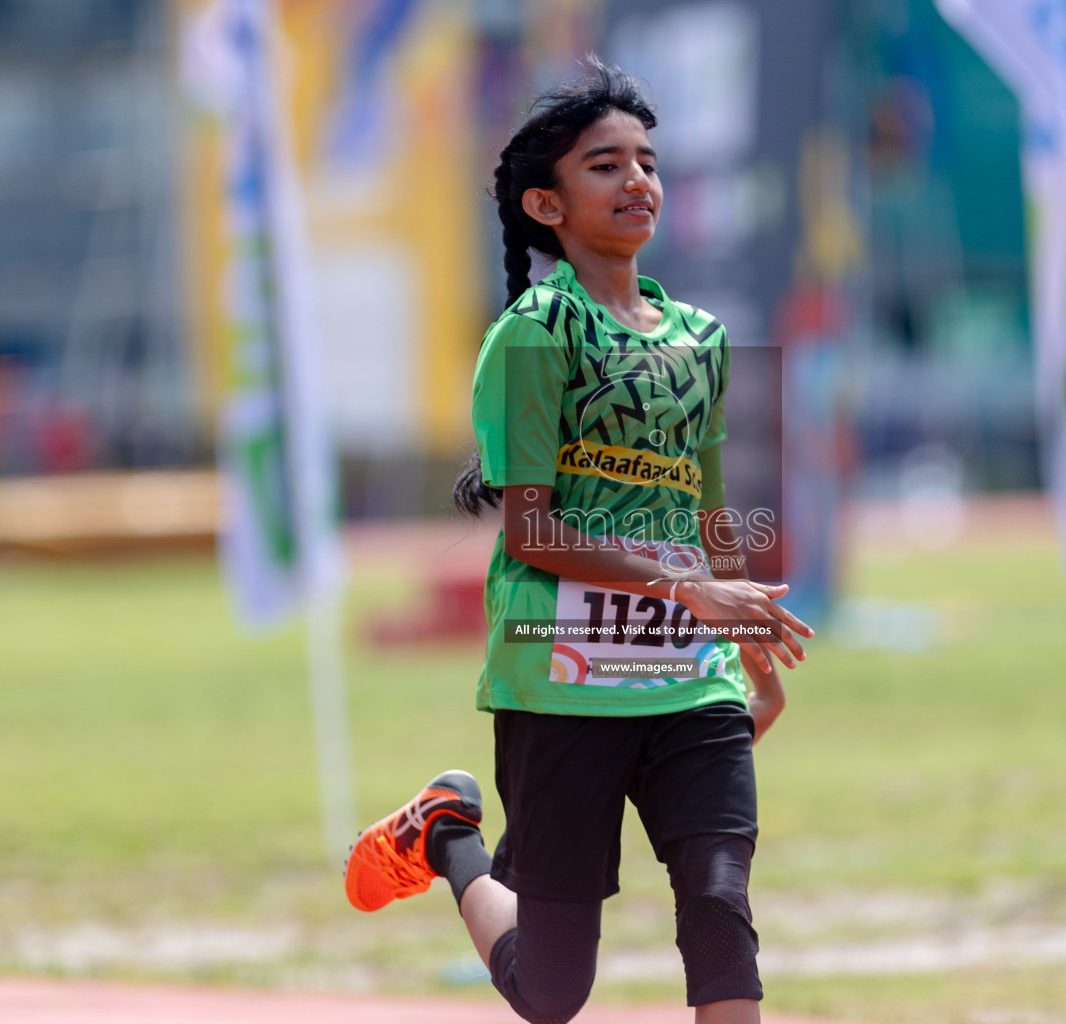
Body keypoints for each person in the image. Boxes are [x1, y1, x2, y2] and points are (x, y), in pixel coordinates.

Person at [344, 57, 813, 1024]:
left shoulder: (703, 339)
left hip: (691, 676)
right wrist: (693, 593)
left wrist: (746, 636)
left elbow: (707, 506)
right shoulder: (532, 335)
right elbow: (533, 527)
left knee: (720, 905)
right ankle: (445, 835)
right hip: (561, 674)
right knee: (554, 991)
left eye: (648, 161)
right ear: (547, 206)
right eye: (605, 165)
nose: (638, 180)